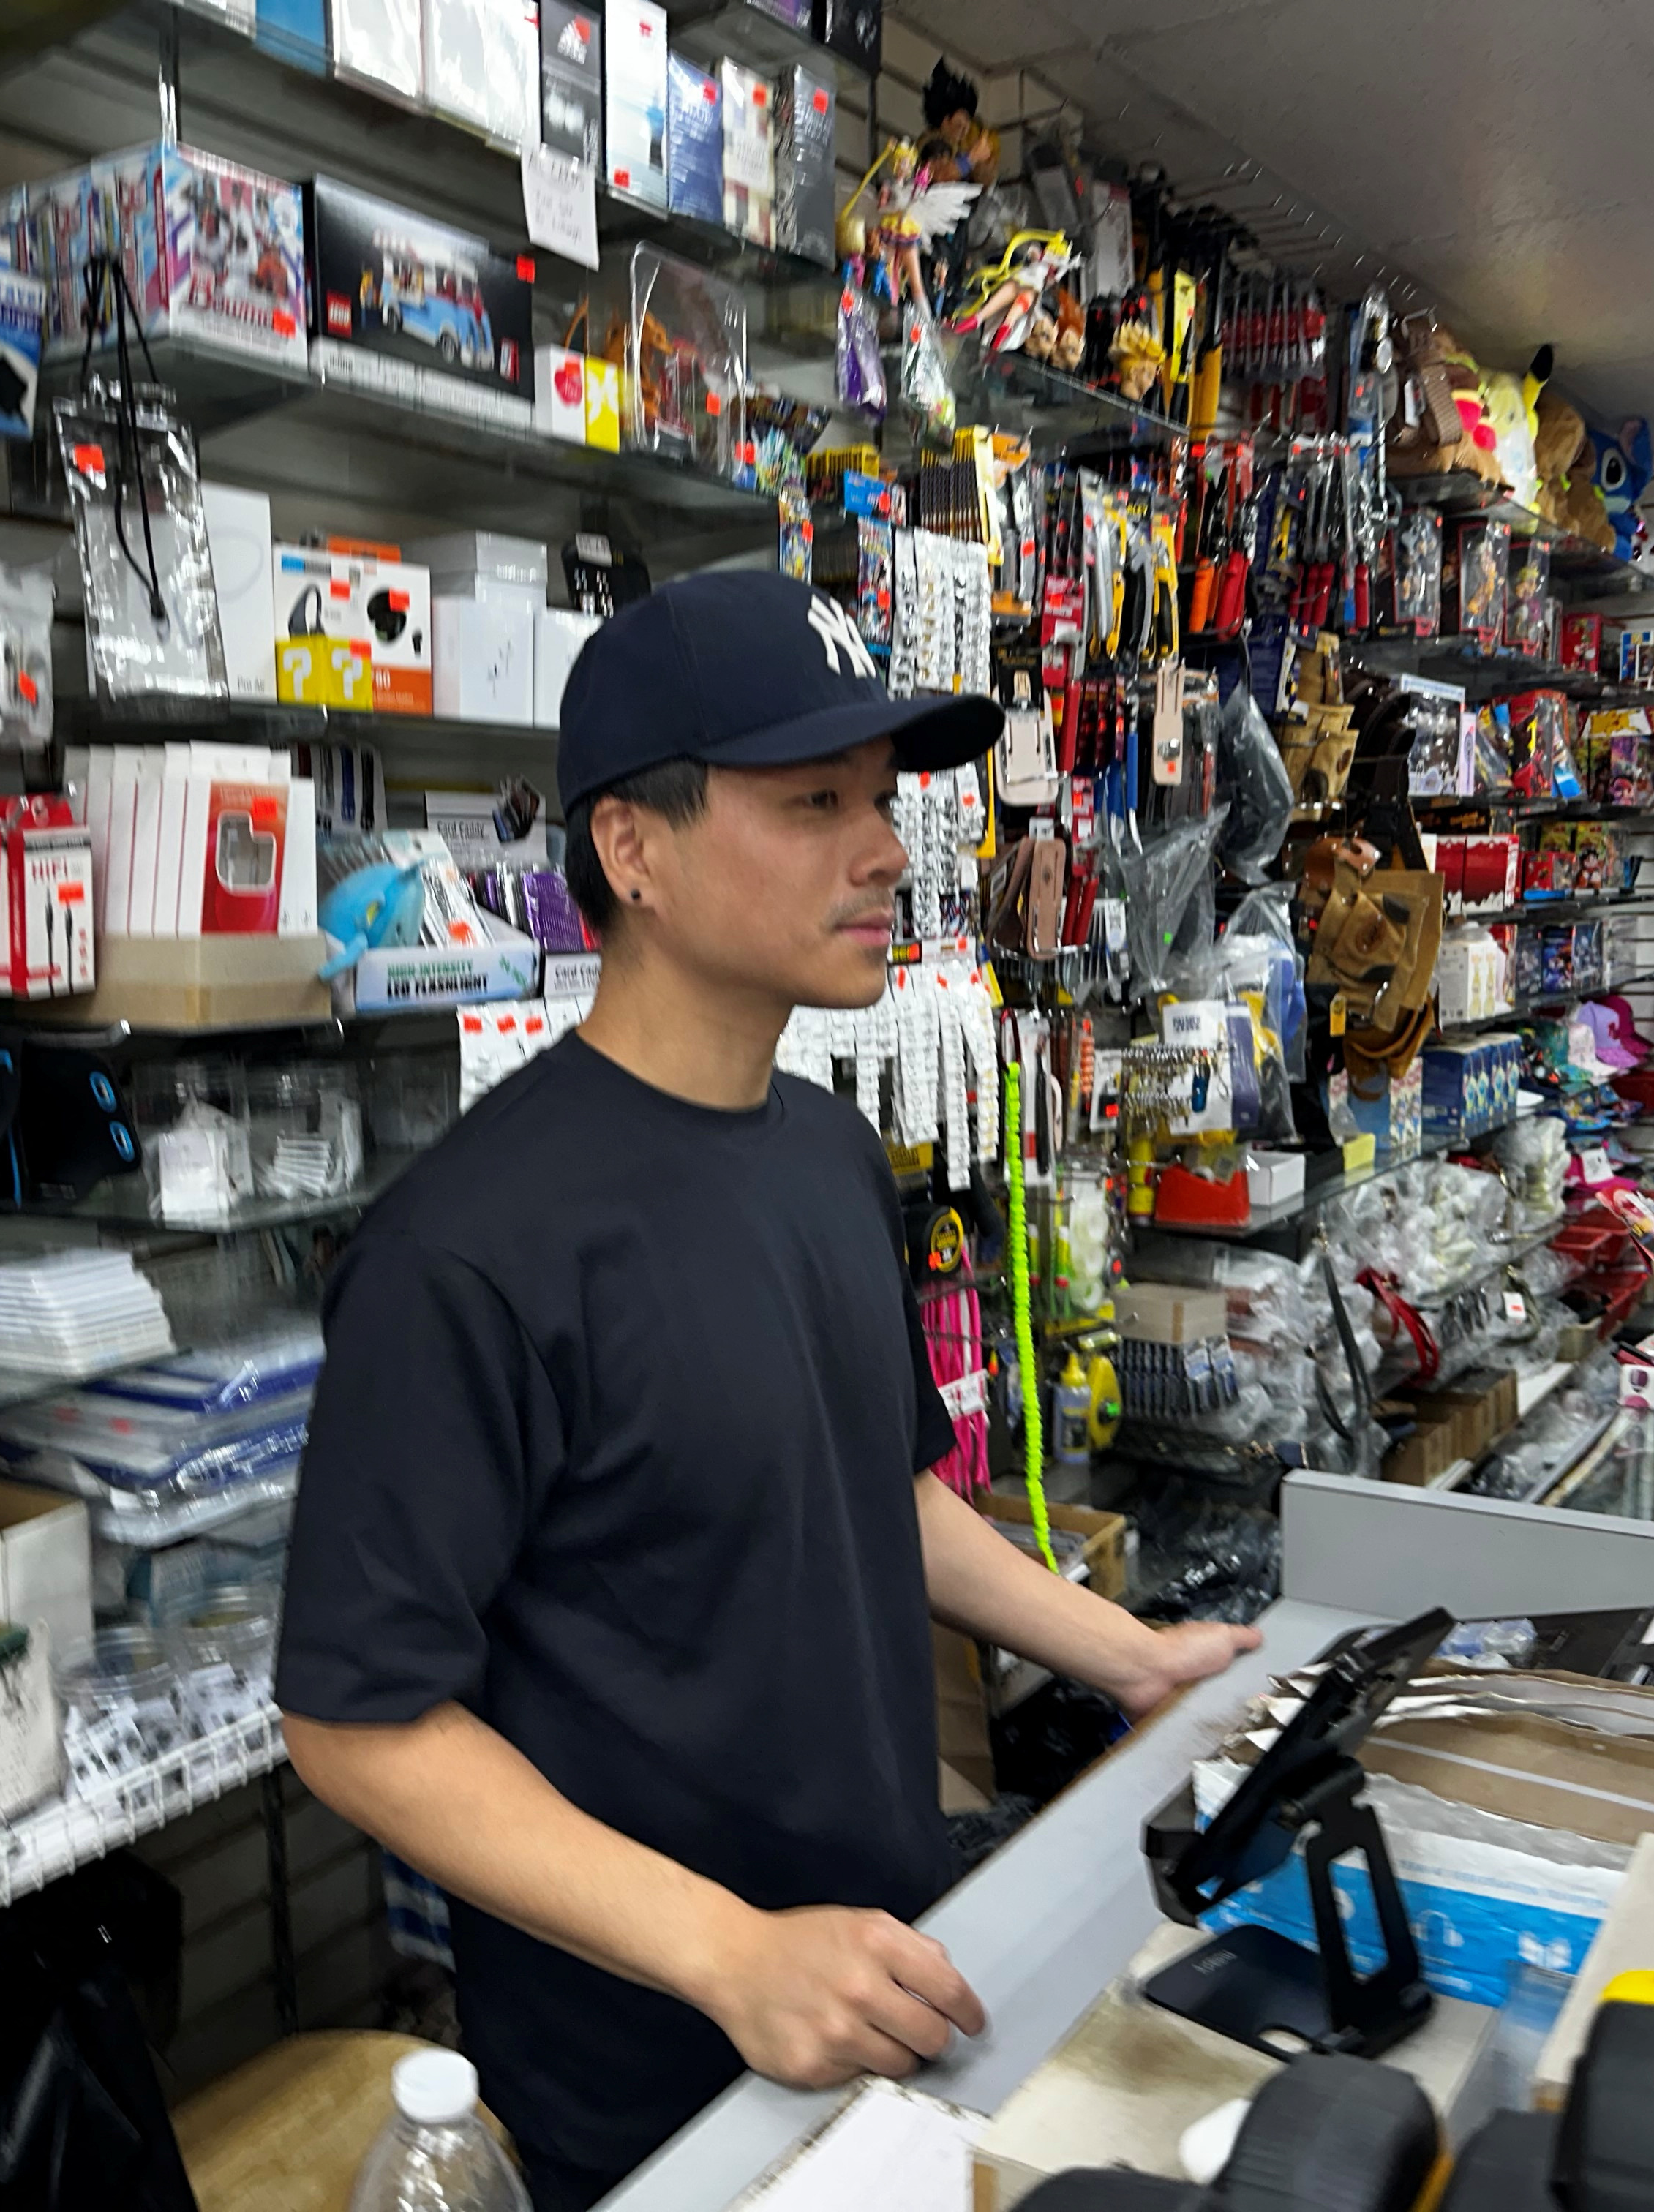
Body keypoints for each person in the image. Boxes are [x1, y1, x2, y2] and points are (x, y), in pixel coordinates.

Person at [278, 572, 1262, 2212]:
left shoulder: (822, 1149)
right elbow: (357, 1722)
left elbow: (872, 1482)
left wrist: (1134, 1657)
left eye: (878, 800)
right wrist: (728, 1954)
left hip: (892, 1980)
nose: (883, 849)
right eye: (812, 803)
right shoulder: (469, 1253)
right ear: (633, 851)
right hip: (653, 2081)